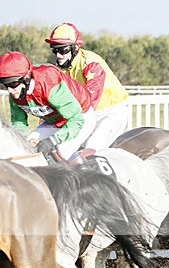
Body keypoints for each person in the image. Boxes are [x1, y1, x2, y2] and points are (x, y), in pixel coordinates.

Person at [45, 22, 130, 150]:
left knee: (92, 146)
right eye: (55, 50)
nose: (58, 55)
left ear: (75, 48)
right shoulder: (60, 69)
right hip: (89, 112)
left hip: (111, 112)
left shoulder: (90, 63)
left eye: (63, 50)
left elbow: (90, 102)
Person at [0, 51, 96, 163]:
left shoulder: (48, 82)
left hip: (81, 117)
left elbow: (76, 120)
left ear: (26, 78)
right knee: (26, 152)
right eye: (5, 85)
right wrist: (23, 142)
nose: (10, 90)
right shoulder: (15, 92)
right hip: (54, 121)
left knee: (59, 154)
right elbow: (19, 122)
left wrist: (52, 140)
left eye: (13, 84)